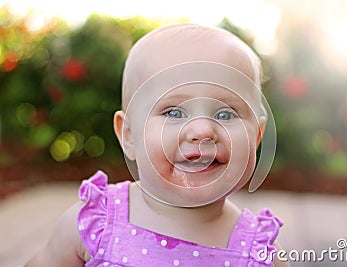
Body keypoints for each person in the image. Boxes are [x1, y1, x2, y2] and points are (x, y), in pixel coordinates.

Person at [26, 23, 288, 267]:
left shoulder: (260, 252)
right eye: (174, 112)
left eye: (225, 114)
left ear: (256, 137)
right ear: (129, 135)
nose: (202, 131)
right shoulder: (93, 225)